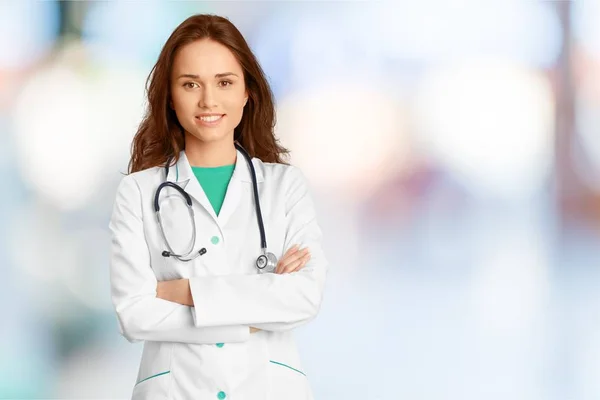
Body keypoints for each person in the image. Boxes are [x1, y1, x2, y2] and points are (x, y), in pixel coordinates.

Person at [108, 13, 328, 400]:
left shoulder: (284, 186)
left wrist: (181, 290)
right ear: (170, 97)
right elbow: (134, 313)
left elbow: (304, 297)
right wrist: (256, 306)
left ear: (247, 91)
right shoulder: (138, 192)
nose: (208, 100)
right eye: (190, 84)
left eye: (224, 82)